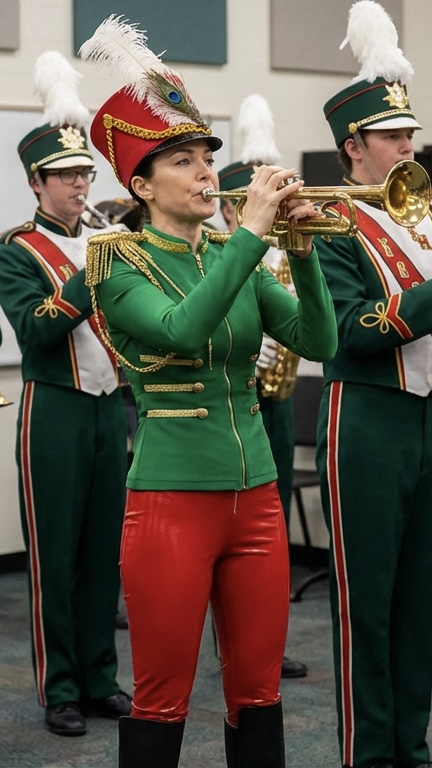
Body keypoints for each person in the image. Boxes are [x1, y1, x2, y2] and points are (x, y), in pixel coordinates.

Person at [80, 15, 337, 768]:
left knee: (259, 692)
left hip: (257, 498)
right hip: (171, 503)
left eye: (206, 159)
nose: (204, 175)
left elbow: (319, 341)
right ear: (141, 184)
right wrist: (253, 234)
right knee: (162, 696)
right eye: (183, 161)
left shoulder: (234, 253)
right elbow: (185, 330)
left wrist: (302, 249)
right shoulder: (116, 263)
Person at [314, 3, 432, 767]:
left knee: (421, 603)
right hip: (367, 417)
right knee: (369, 601)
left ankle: (411, 746)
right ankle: (370, 752)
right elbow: (348, 334)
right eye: (392, 135)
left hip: (426, 417)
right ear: (353, 146)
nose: (408, 144)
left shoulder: (425, 219)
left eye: (410, 132)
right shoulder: (327, 220)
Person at [0, 51, 131, 736]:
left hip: (111, 411)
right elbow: (35, 328)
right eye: (66, 175)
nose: (81, 183)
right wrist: (91, 274)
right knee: (55, 556)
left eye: (85, 172)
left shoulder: (106, 238)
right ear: (37, 182)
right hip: (53, 410)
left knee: (106, 552)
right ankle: (61, 689)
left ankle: (101, 677)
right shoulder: (17, 249)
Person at [218, 94, 306, 681]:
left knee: (271, 531)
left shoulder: (277, 259)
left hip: (277, 405)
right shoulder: (218, 259)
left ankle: (268, 642)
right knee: (231, 534)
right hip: (233, 409)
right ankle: (231, 643)